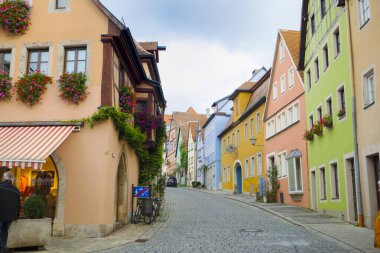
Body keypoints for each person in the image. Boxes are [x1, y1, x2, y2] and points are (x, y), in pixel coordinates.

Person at [0, 171, 21, 253]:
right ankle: (3, 247)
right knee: (4, 231)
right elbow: (19, 205)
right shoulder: (16, 190)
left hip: (1, 214)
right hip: (11, 216)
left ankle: (3, 247)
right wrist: (17, 215)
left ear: (4, 178)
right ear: (12, 179)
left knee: (2, 230)